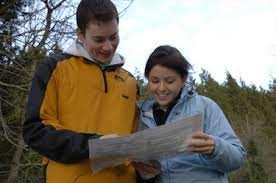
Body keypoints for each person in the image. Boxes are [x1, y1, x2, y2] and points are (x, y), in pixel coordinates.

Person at [23, 0, 138, 182]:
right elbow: (35, 131)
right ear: (80, 35)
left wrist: (145, 171)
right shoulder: (54, 68)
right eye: (99, 40)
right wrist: (92, 146)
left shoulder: (131, 82)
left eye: (113, 37)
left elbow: (135, 145)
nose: (108, 47)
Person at [134, 45, 246, 183]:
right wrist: (143, 174)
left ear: (183, 78)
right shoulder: (142, 116)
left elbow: (237, 158)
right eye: (155, 81)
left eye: (170, 81)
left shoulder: (205, 107)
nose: (161, 88)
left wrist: (214, 147)